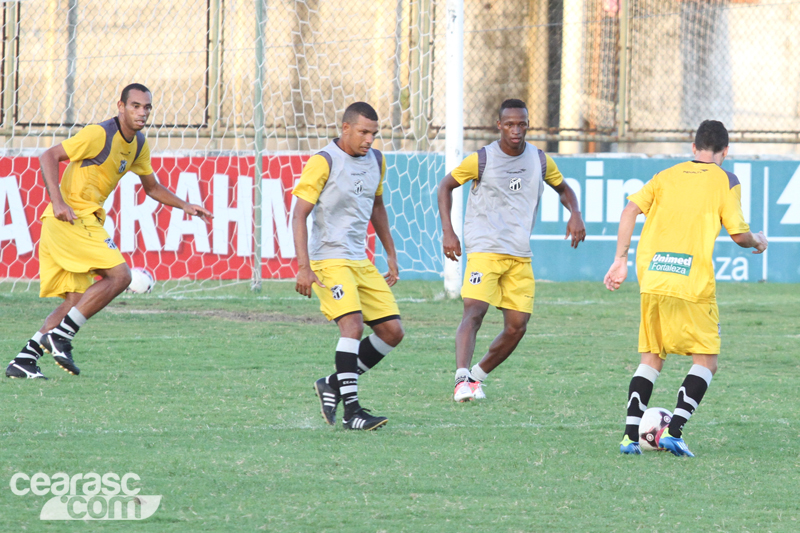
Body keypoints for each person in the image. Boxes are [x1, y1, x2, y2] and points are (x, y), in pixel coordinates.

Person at [5, 83, 212, 380]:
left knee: (77, 300)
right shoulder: (99, 134)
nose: (142, 112)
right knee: (121, 276)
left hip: (80, 221)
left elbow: (152, 187)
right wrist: (58, 201)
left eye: (147, 107)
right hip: (71, 219)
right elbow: (48, 155)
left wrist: (185, 205)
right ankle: (61, 337)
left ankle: (24, 360)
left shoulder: (138, 143)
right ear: (121, 106)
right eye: (135, 106)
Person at [604, 120, 768, 457]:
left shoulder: (666, 175)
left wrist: (620, 259)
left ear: (694, 148)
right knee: (706, 361)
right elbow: (739, 235)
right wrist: (758, 240)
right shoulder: (726, 180)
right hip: (691, 281)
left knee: (651, 358)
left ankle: (629, 438)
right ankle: (674, 431)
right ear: (725, 151)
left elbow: (630, 210)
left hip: (653, 277)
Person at [438, 99, 586, 403]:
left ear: (528, 125)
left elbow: (564, 189)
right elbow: (445, 186)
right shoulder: (481, 159)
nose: (516, 130)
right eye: (509, 124)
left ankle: (476, 378)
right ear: (499, 126)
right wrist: (448, 231)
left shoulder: (540, 160)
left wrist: (575, 213)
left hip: (519, 255)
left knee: (517, 327)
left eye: (521, 124)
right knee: (474, 311)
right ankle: (460, 379)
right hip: (484, 249)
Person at [292, 102, 404, 431]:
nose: (369, 139)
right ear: (345, 128)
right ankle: (352, 412)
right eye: (363, 132)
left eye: (374, 133)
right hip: (328, 259)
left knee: (392, 332)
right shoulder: (324, 161)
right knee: (352, 326)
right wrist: (304, 267)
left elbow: (377, 206)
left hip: (359, 259)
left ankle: (332, 383)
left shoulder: (377, 160)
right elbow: (299, 214)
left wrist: (391, 253)